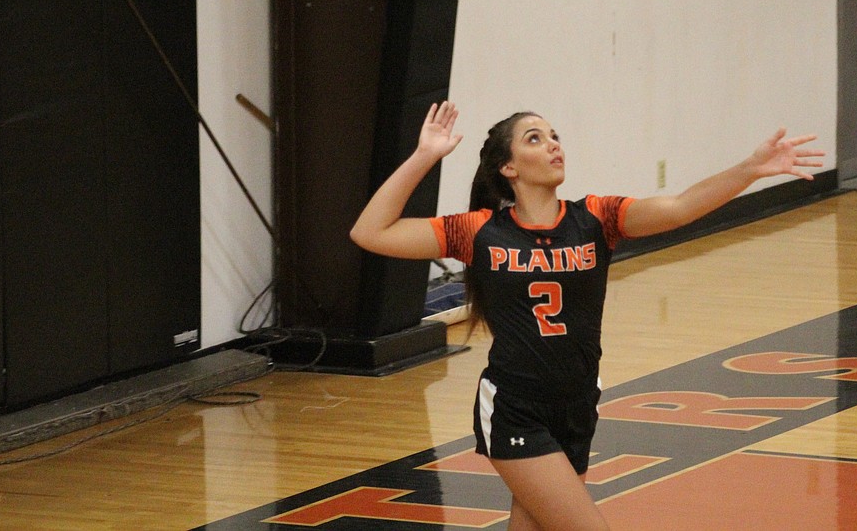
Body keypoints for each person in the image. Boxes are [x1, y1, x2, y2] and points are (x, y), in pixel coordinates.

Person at [350, 101, 825, 530]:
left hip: (577, 403)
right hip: (517, 409)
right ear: (509, 167)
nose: (553, 144)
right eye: (535, 138)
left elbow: (679, 207)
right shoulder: (479, 232)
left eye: (554, 135)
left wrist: (750, 169)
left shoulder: (597, 217)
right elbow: (371, 232)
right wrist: (424, 157)